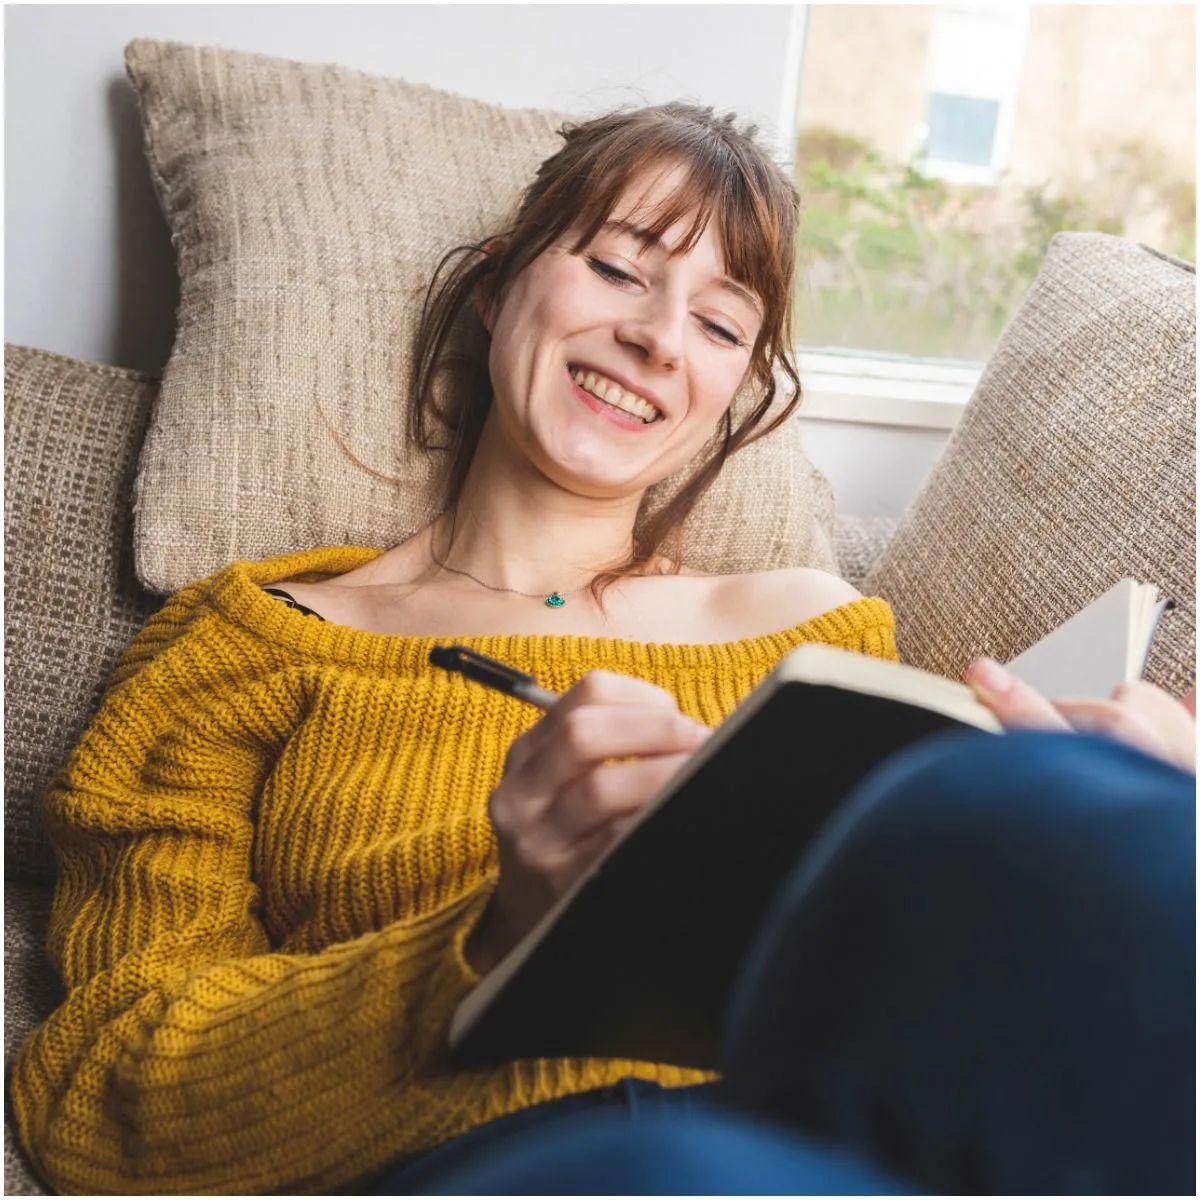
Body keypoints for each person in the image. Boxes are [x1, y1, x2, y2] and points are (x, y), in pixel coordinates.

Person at [11, 104, 900, 1195]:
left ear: (729, 396)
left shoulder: (813, 635)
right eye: (621, 269)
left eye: (721, 326)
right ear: (496, 285)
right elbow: (106, 1102)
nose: (661, 338)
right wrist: (492, 941)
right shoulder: (244, 651)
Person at [379, 668, 1198, 1196]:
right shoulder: (273, 636)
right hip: (529, 1144)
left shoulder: (833, 623)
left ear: (750, 386)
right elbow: (239, 1105)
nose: (657, 378)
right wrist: (496, 941)